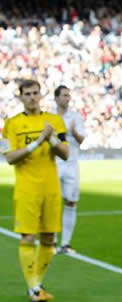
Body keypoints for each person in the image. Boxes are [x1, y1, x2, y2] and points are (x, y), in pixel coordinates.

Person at [1, 79, 69, 301]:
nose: (32, 97)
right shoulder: (12, 124)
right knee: (28, 237)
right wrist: (38, 141)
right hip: (27, 188)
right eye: (27, 93)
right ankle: (34, 288)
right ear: (20, 97)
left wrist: (50, 138)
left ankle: (36, 285)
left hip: (50, 187)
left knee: (49, 237)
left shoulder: (54, 121)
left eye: (35, 93)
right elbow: (10, 158)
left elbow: (65, 153)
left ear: (41, 95)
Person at [54, 85, 86, 254]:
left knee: (71, 202)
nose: (67, 98)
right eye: (64, 95)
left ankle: (66, 243)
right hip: (54, 164)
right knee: (52, 203)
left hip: (72, 165)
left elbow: (81, 140)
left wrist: (72, 130)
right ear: (56, 98)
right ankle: (51, 242)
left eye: (69, 95)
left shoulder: (75, 117)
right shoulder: (50, 116)